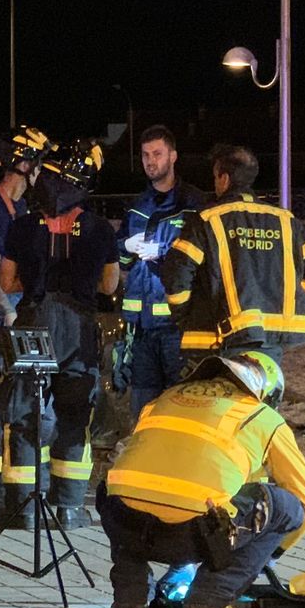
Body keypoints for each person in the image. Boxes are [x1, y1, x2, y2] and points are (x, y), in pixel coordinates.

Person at [98, 351, 305, 608]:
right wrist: (269, 553)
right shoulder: (261, 416)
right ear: (265, 392)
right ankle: (206, 604)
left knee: (121, 488)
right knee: (287, 506)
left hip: (125, 526)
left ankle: (129, 602)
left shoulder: (162, 401)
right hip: (190, 537)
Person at [0, 140, 120, 529]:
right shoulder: (100, 228)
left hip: (34, 322)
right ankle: (68, 509)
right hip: (80, 326)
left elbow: (7, 280)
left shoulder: (22, 225)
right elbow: (109, 284)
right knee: (73, 415)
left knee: (26, 413)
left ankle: (23, 510)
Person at [161, 145, 305, 366]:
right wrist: (297, 302)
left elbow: (176, 276)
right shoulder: (285, 221)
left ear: (224, 179)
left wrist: (186, 317)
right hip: (273, 342)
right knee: (263, 399)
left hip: (221, 340)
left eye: (215, 177)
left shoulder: (207, 220)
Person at [0, 126, 48, 509]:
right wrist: (8, 312)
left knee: (16, 404)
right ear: (24, 163)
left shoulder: (23, 209)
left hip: (17, 312)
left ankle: (18, 487)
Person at [116, 125, 207, 418]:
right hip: (140, 330)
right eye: (145, 155)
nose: (150, 161)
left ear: (173, 156)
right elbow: (122, 264)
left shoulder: (193, 204)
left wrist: (165, 253)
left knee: (180, 410)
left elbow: (204, 261)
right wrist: (125, 247)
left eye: (157, 154)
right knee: (143, 413)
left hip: (177, 327)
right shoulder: (136, 207)